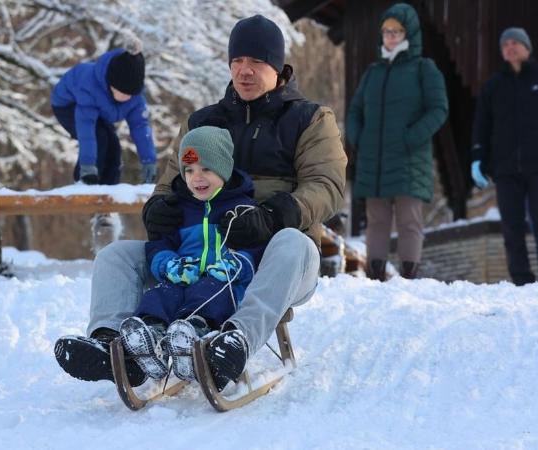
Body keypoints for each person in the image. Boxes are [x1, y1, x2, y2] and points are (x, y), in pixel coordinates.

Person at [54, 14, 347, 392]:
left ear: (278, 67)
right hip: (201, 253)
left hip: (276, 256)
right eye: (237, 61)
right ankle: (115, 348)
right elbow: (168, 184)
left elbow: (327, 184)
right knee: (116, 256)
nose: (245, 71)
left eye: (256, 62)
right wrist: (158, 210)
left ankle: (234, 343)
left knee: (292, 242)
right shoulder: (203, 123)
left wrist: (275, 215)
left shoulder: (309, 119)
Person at [118, 126, 264, 383]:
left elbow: (257, 245)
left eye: (206, 169)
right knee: (160, 294)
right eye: (189, 170)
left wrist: (237, 263)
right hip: (184, 277)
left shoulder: (244, 209)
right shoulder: (178, 209)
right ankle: (150, 335)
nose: (197, 178)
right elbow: (159, 243)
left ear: (224, 169)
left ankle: (195, 335)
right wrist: (169, 264)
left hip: (224, 283)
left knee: (208, 292)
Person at [345, 3, 448, 281]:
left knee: (408, 220)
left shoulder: (424, 69)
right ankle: (375, 274)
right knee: (376, 220)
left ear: (409, 33)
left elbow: (439, 108)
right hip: (374, 160)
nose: (390, 36)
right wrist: (358, 138)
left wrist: (411, 137)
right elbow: (355, 111)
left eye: (397, 31)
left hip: (408, 158)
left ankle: (408, 276)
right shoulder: (373, 72)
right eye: (386, 31)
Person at [471, 27, 538, 286]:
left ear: (527, 48)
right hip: (505, 169)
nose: (510, 47)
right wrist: (478, 158)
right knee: (512, 228)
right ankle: (521, 279)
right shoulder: (494, 86)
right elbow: (482, 126)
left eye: (515, 42)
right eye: (505, 44)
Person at [50, 38, 157, 185]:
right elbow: (86, 131)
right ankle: (83, 183)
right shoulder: (89, 89)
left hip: (100, 107)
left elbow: (141, 127)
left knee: (113, 145)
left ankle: (109, 190)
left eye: (131, 93)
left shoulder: (134, 98)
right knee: (99, 137)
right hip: (68, 105)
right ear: (111, 84)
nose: (127, 97)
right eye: (123, 92)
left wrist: (149, 161)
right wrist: (87, 167)